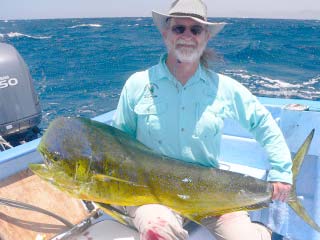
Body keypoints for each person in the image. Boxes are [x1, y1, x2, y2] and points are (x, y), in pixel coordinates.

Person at [112, 0, 292, 239]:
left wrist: (282, 172)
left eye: (195, 29)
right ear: (166, 34)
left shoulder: (224, 87)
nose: (187, 35)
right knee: (157, 231)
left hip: (212, 194)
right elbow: (117, 143)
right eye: (179, 28)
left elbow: (263, 124)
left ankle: (260, 232)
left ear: (205, 37)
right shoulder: (137, 84)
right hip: (153, 194)